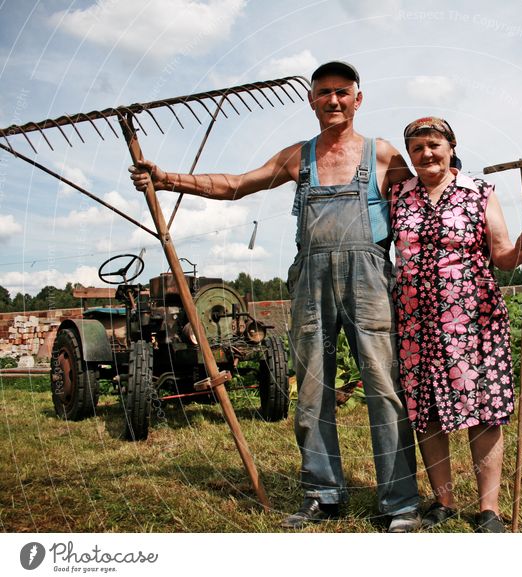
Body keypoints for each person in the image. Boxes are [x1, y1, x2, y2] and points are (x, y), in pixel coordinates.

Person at [129, 61, 422, 532]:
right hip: (310, 283)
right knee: (310, 390)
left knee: (384, 389)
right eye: (324, 92)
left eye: (342, 92)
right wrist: (167, 179)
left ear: (358, 98)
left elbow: (423, 201)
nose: (333, 100)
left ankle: (400, 503)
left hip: (369, 281)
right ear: (311, 100)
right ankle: (323, 493)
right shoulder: (297, 157)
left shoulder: (382, 155)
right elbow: (237, 186)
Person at [391, 117, 522, 533]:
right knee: (429, 414)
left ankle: (488, 509)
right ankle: (443, 501)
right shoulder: (398, 195)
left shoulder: (478, 192)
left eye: (434, 144)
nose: (426, 154)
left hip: (474, 321)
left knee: (484, 413)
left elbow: (501, 254)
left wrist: (521, 250)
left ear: (452, 145)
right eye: (417, 148)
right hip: (416, 325)